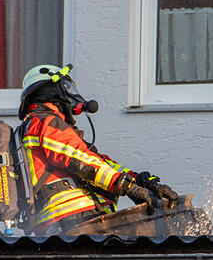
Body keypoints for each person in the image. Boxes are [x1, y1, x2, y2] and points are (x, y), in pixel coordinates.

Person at [18, 64, 179, 235]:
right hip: (70, 217)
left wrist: (139, 181)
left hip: (74, 218)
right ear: (51, 89)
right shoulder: (44, 121)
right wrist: (127, 187)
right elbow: (80, 161)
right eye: (66, 87)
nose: (71, 93)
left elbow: (98, 161)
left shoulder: (45, 124)